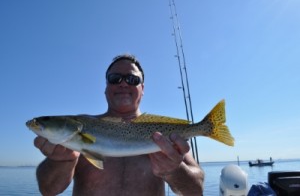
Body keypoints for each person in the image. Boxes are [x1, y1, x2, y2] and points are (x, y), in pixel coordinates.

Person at [34, 54, 204, 196]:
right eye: (115, 79)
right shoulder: (79, 131)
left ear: (142, 88)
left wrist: (174, 170)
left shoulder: (161, 132)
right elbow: (48, 190)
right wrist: (61, 161)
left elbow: (196, 191)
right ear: (106, 87)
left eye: (132, 79)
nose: (123, 83)